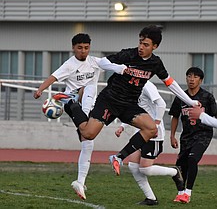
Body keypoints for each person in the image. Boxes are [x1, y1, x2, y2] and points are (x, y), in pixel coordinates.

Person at [68, 25, 200, 178]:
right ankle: (71, 103)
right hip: (110, 100)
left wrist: (190, 102)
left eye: (146, 45)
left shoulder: (155, 63)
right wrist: (119, 68)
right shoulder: (128, 55)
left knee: (151, 129)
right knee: (88, 134)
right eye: (140, 43)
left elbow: (170, 83)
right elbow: (102, 62)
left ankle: (118, 157)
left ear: (155, 46)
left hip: (129, 104)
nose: (141, 47)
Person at [34, 33, 102, 200]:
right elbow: (53, 77)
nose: (83, 51)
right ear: (73, 48)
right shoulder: (69, 65)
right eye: (79, 48)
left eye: (86, 48)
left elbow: (112, 64)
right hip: (73, 104)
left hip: (89, 103)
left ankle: (80, 181)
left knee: (88, 144)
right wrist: (40, 89)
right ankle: (65, 97)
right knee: (87, 89)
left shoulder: (95, 62)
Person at [115, 80, 184, 206]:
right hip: (140, 133)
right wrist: (123, 126)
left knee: (145, 169)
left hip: (154, 135)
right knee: (133, 165)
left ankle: (174, 172)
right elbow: (135, 111)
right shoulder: (131, 86)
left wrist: (156, 124)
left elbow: (161, 104)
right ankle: (151, 198)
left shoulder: (146, 85)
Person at [169, 67, 217, 203]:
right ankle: (180, 193)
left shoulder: (207, 97)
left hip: (203, 134)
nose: (191, 79)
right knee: (179, 167)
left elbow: (215, 116)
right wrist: (172, 136)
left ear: (200, 80)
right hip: (186, 136)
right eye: (189, 76)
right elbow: (175, 116)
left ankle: (188, 193)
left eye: (195, 77)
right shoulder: (181, 97)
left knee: (192, 159)